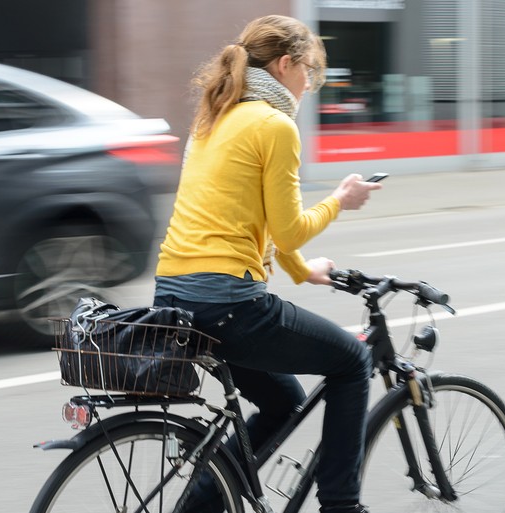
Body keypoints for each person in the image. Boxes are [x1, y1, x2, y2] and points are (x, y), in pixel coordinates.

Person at [152, 14, 382, 513]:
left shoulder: (215, 116)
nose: (309, 86)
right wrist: (340, 199)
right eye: (309, 73)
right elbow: (289, 229)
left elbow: (251, 218)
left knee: (282, 403)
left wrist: (301, 271)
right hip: (228, 304)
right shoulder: (275, 125)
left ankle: (202, 505)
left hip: (174, 297)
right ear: (284, 65)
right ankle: (341, 504)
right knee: (353, 362)